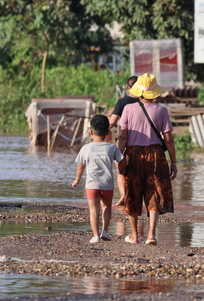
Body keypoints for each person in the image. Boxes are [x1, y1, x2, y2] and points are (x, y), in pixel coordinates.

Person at [117, 73, 177, 245]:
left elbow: (122, 137)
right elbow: (169, 139)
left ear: (139, 92)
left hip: (133, 154)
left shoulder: (128, 109)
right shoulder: (162, 110)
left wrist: (118, 157)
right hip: (156, 155)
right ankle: (151, 235)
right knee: (154, 192)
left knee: (133, 192)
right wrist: (173, 162)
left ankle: (135, 236)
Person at [72, 115, 124, 243]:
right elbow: (122, 162)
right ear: (108, 133)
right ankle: (105, 232)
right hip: (107, 184)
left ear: (91, 131)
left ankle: (95, 235)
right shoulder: (112, 148)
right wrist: (123, 171)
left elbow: (81, 166)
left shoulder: (86, 148)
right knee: (107, 207)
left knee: (94, 210)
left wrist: (77, 179)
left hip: (92, 184)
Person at [108, 76, 139, 207]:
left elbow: (112, 122)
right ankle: (136, 197)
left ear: (127, 87)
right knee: (137, 170)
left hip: (124, 141)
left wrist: (100, 130)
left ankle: (123, 195)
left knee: (120, 168)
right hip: (142, 141)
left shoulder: (122, 102)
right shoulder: (144, 101)